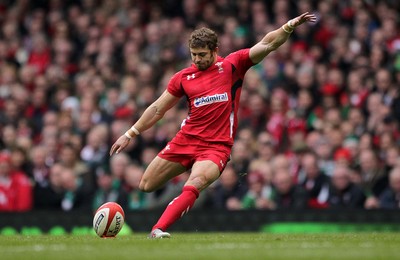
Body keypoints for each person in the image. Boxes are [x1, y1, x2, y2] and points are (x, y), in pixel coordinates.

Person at [110, 12, 317, 238]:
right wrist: (130, 133)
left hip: (216, 146)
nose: (197, 60)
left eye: (201, 55)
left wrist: (288, 26)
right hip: (186, 139)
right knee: (146, 184)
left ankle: (157, 229)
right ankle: (162, 221)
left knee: (195, 182)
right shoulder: (183, 77)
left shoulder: (232, 66)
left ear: (214, 50)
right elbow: (158, 108)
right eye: (193, 55)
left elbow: (267, 44)